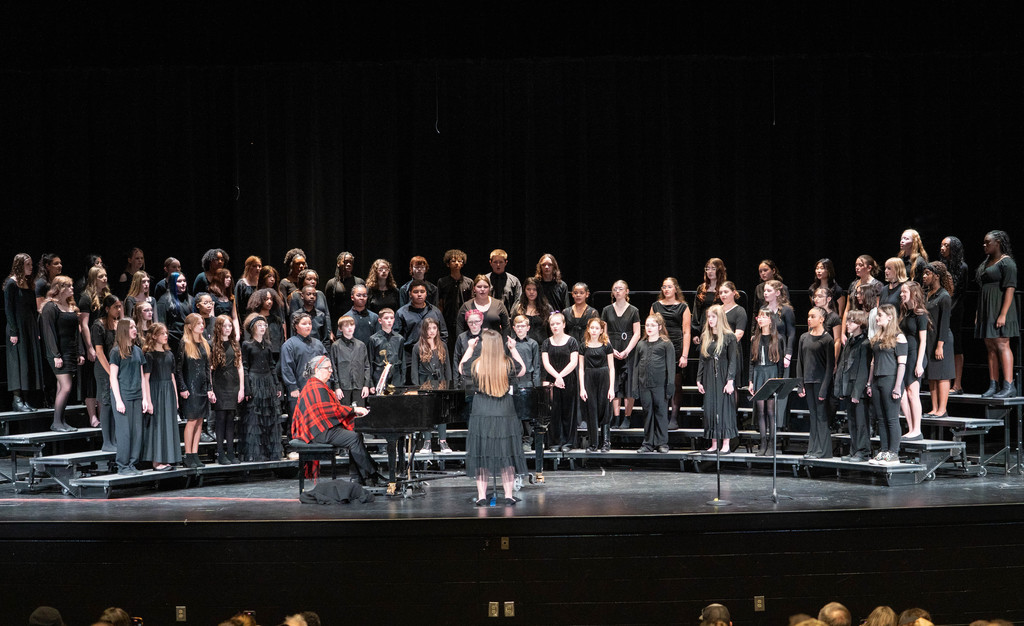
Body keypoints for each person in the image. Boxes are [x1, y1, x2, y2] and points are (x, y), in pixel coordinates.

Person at [290, 355, 379, 486]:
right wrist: (353, 410)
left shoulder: (315, 385)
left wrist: (351, 410)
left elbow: (329, 409)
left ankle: (360, 477)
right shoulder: (316, 387)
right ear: (317, 369)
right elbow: (329, 410)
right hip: (318, 432)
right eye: (328, 368)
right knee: (354, 438)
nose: (331, 371)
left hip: (318, 429)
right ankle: (370, 475)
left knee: (355, 436)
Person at [463, 329, 527, 506]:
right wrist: (513, 349)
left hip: (482, 410)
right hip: (504, 410)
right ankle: (508, 495)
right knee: (506, 453)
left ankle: (482, 496)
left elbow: (461, 367)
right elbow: (522, 369)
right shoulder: (507, 363)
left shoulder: (475, 364)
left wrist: (469, 348)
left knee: (481, 454)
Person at [975, 230, 1018, 398]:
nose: (984, 245)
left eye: (988, 242)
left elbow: (1010, 289)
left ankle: (1009, 385)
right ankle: (994, 384)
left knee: (1002, 345)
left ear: (998, 243)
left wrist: (1003, 314)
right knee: (990, 347)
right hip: (987, 309)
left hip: (1000, 308)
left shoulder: (1007, 263)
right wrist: (979, 313)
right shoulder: (987, 262)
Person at [39, 276, 82, 431]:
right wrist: (56, 355)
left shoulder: (69, 305)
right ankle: (56, 422)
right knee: (66, 387)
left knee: (61, 387)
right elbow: (48, 333)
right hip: (58, 353)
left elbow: (76, 332)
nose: (72, 288)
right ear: (60, 288)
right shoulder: (50, 307)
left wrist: (79, 352)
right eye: (68, 286)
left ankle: (61, 420)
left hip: (70, 351)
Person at [867, 304, 908, 465]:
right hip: (877, 380)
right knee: (881, 419)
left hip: (891, 379)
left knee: (891, 418)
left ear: (890, 317)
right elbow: (872, 362)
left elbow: (902, 364)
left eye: (880, 315)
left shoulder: (899, 337)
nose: (877, 318)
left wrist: (898, 386)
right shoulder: (878, 337)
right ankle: (884, 450)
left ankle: (894, 453)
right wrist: (870, 383)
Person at [109, 318, 150, 475]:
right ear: (124, 330)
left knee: (136, 431)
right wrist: (118, 400)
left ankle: (132, 463)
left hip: (137, 395)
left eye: (135, 326)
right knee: (124, 432)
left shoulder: (138, 351)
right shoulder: (116, 352)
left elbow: (141, 377)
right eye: (131, 327)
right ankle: (123, 465)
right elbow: (113, 378)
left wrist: (145, 398)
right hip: (123, 396)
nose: (135, 329)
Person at [241, 314, 284, 461]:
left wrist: (276, 384)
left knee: (269, 416)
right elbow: (245, 366)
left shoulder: (268, 345)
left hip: (267, 382)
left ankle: (269, 452)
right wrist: (247, 387)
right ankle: (256, 453)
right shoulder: (247, 345)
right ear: (253, 328)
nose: (263, 327)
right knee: (256, 417)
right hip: (255, 380)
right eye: (259, 325)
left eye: (264, 325)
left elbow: (272, 365)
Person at [697, 304, 738, 454]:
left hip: (723, 375)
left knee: (724, 408)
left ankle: (726, 442)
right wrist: (698, 379)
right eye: (709, 317)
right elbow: (702, 359)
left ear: (720, 318)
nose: (710, 320)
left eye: (713, 317)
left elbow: (733, 360)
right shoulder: (705, 336)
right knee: (710, 408)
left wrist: (730, 380)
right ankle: (714, 442)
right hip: (708, 375)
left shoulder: (729, 337)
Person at [651, 277, 691, 429]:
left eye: (669, 286)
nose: (666, 289)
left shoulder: (683, 307)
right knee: (660, 384)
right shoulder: (655, 306)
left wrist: (685, 355)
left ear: (675, 289)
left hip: (676, 347)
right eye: (664, 287)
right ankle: (661, 416)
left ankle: (674, 418)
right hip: (659, 347)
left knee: (675, 383)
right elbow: (650, 326)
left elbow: (686, 331)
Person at [797, 307, 837, 459]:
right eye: (808, 316)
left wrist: (824, 389)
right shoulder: (804, 337)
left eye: (813, 316)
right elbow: (800, 362)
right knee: (813, 416)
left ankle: (823, 450)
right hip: (808, 382)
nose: (809, 319)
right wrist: (800, 384)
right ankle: (812, 449)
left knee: (821, 417)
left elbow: (829, 367)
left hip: (821, 383)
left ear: (821, 319)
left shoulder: (827, 339)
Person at [6, 253, 43, 412]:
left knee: (28, 361)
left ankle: (27, 398)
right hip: (17, 328)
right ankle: (17, 399)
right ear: (20, 266)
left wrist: (36, 329)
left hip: (29, 327)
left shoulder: (29, 283)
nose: (31, 267)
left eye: (31, 265)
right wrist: (13, 331)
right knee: (18, 363)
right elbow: (9, 309)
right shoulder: (11, 284)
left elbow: (32, 309)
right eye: (28, 265)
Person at [175, 313, 213, 468]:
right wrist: (182, 387)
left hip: (202, 388)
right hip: (190, 389)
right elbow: (178, 369)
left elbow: (206, 368)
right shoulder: (184, 343)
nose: (202, 325)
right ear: (190, 326)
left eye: (203, 323)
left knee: (199, 422)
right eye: (198, 323)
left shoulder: (204, 343)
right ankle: (188, 454)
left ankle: (195, 454)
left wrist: (210, 388)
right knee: (191, 421)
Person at [633, 313, 675, 453]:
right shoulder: (641, 344)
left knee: (661, 413)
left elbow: (671, 366)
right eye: (648, 325)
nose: (649, 328)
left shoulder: (666, 344)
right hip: (644, 385)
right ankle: (648, 443)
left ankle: (662, 443)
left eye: (653, 325)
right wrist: (635, 386)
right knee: (647, 413)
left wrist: (670, 386)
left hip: (660, 385)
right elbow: (636, 366)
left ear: (660, 327)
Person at [142, 323, 181, 470]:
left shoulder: (170, 354)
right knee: (157, 426)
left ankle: (168, 458)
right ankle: (156, 461)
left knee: (168, 425)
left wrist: (176, 398)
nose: (166, 336)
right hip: (156, 391)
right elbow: (145, 379)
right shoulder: (150, 355)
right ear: (153, 336)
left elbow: (172, 377)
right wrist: (148, 400)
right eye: (162, 333)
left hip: (168, 392)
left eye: (166, 333)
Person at [602, 280, 641, 429]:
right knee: (615, 383)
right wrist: (611, 349)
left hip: (629, 350)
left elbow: (637, 333)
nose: (617, 291)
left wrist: (627, 350)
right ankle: (616, 417)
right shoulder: (606, 310)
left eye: (620, 289)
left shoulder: (633, 310)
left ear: (627, 291)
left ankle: (627, 417)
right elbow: (603, 333)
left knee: (629, 384)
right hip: (612, 348)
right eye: (615, 289)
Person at [835, 310, 872, 462]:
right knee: (852, 420)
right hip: (849, 386)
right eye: (848, 321)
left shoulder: (865, 344)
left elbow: (863, 370)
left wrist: (857, 392)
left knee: (862, 421)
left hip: (859, 390)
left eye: (851, 322)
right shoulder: (850, 341)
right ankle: (854, 450)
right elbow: (844, 365)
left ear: (860, 324)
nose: (847, 324)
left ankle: (863, 451)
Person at [412, 317, 453, 453]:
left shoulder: (443, 346)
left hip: (441, 383)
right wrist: (417, 387)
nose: (432, 331)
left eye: (434, 328)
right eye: (429, 328)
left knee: (442, 412)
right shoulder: (418, 347)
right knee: (426, 413)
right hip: (425, 383)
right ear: (424, 329)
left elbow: (447, 368)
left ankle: (443, 442)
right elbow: (414, 369)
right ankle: (427, 442)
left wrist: (448, 385)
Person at [395, 279, 449, 381]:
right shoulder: (401, 313)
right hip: (410, 357)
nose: (419, 294)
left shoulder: (435, 312)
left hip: (433, 356)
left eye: (422, 292)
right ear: (410, 294)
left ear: (426, 294)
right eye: (415, 292)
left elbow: (443, 333)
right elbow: (397, 337)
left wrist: (437, 350)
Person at [541, 311, 580, 451]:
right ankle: (555, 442)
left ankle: (568, 442)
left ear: (563, 324)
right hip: (552, 380)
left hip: (568, 380)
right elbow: (546, 363)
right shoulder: (546, 342)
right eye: (552, 324)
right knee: (554, 412)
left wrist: (561, 376)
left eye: (558, 323)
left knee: (568, 411)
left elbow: (574, 362)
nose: (555, 326)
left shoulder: (572, 341)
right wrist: (557, 377)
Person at [749, 308, 785, 456]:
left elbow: (780, 363)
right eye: (759, 316)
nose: (761, 319)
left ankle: (772, 443)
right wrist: (751, 381)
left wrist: (779, 382)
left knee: (770, 411)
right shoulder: (754, 339)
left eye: (764, 316)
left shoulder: (777, 338)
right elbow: (751, 362)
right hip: (759, 373)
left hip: (771, 373)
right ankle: (762, 442)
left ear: (771, 320)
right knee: (761, 411)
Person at [281, 312, 331, 416]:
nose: (308, 326)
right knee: (299, 420)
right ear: (296, 326)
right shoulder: (289, 345)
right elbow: (287, 368)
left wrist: (328, 383)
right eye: (304, 324)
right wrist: (292, 387)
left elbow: (326, 364)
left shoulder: (318, 343)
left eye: (309, 323)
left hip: (318, 389)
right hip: (299, 389)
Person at [210, 314, 245, 464]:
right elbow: (209, 370)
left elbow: (240, 367)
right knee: (221, 419)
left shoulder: (235, 344)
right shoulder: (212, 345)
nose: (227, 328)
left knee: (231, 418)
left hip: (233, 385)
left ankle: (231, 452)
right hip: (219, 384)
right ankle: (220, 453)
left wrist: (242, 388)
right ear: (218, 327)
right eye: (224, 326)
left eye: (230, 326)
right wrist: (210, 388)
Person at [923, 262, 955, 416]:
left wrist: (940, 345)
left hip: (941, 340)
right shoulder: (926, 294)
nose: (924, 277)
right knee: (932, 375)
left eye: (927, 274)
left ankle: (943, 408)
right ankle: (934, 408)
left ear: (936, 276)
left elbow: (945, 323)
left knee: (942, 374)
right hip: (929, 339)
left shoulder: (944, 296)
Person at [899, 281, 931, 440]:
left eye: (904, 291)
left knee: (913, 393)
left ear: (913, 293)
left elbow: (923, 341)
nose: (901, 294)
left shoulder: (920, 314)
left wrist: (919, 363)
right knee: (903, 394)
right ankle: (911, 428)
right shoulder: (905, 312)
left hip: (915, 356)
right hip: (904, 355)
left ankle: (917, 429)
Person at [92, 295, 123, 451]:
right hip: (104, 369)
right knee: (106, 403)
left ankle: (116, 440)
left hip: (117, 368)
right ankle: (107, 441)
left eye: (119, 307)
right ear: (107, 309)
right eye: (115, 307)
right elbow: (99, 352)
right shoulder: (98, 325)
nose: (118, 310)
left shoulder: (119, 324)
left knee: (115, 403)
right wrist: (111, 372)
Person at [579, 317, 614, 452]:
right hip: (589, 378)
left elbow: (612, 367)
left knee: (605, 409)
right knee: (591, 409)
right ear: (588, 329)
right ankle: (593, 443)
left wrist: (611, 388)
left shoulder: (607, 346)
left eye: (596, 328)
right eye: (591, 328)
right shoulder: (583, 346)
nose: (594, 330)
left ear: (601, 330)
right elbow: (581, 368)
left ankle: (606, 442)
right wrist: (582, 388)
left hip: (604, 378)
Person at [939, 235, 969, 393]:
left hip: (955, 310)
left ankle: (957, 384)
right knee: (941, 345)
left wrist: (948, 311)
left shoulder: (962, 267)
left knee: (956, 345)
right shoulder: (940, 266)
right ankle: (943, 382)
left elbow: (960, 292)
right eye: (942, 245)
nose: (942, 248)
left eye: (946, 246)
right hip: (941, 308)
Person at [509, 314, 541, 450]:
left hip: (528, 381)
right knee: (514, 413)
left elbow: (537, 366)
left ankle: (527, 440)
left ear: (528, 328)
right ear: (514, 328)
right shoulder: (510, 344)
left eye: (523, 326)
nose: (520, 328)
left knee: (526, 414)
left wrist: (536, 386)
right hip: (513, 381)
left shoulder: (533, 344)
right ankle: (515, 440)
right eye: (518, 326)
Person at [437, 249, 474, 354]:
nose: (457, 263)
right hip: (447, 321)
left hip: (464, 321)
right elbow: (440, 303)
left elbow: (471, 303)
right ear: (448, 264)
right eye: (453, 261)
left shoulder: (469, 282)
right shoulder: (442, 282)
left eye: (460, 261)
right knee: (449, 349)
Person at [329, 315, 371, 407]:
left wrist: (366, 385)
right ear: (340, 328)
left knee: (360, 414)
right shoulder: (335, 346)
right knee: (344, 414)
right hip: (343, 387)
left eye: (351, 325)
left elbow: (366, 366)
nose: (349, 328)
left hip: (359, 386)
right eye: (346, 326)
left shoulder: (361, 345)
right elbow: (333, 367)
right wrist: (337, 387)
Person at [763, 279, 796, 374]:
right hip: (766, 348)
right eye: (765, 290)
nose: (765, 293)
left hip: (781, 348)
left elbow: (791, 333)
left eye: (769, 291)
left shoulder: (786, 310)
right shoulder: (763, 310)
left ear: (777, 293)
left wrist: (788, 355)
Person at [156, 271, 194, 354]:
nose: (183, 283)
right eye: (179, 281)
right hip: (173, 342)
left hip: (189, 341)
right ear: (172, 283)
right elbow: (161, 323)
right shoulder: (164, 301)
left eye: (184, 281)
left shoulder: (191, 300)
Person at [324, 251, 364, 325]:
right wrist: (330, 330)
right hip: (338, 321)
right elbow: (327, 308)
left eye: (350, 262)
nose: (348, 264)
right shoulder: (332, 283)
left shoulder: (359, 282)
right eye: (345, 262)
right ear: (338, 263)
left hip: (356, 321)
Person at [368, 308, 405, 389]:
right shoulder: (374, 339)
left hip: (396, 378)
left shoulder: (399, 339)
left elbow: (402, 361)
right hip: (379, 377)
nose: (389, 321)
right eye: (386, 318)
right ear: (380, 321)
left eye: (391, 318)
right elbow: (370, 362)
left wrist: (402, 381)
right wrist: (371, 384)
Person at [842, 254, 881, 329]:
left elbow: (877, 310)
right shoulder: (853, 284)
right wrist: (843, 332)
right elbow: (847, 309)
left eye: (860, 265)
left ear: (869, 268)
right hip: (852, 325)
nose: (857, 268)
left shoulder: (876, 285)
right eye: (856, 265)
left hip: (868, 326)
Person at [246, 287, 287, 357]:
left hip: (276, 356)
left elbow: (282, 340)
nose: (269, 301)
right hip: (259, 357)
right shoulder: (253, 320)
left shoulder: (277, 320)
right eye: (266, 299)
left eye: (271, 299)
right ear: (259, 301)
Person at [511, 276, 551, 347]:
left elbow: (551, 330)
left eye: (534, 289)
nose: (531, 292)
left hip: (542, 348)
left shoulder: (546, 308)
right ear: (524, 290)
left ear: (538, 291)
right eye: (528, 289)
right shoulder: (518, 308)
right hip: (522, 346)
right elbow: (513, 329)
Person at [693, 257, 726, 341]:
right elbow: (696, 311)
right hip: (705, 325)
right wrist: (696, 332)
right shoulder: (701, 288)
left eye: (713, 268)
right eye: (707, 269)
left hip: (720, 325)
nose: (710, 271)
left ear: (719, 270)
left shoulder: (725, 288)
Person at [486, 248, 522, 314]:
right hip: (488, 317)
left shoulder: (514, 281)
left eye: (501, 262)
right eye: (495, 262)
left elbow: (518, 300)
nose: (498, 265)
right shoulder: (485, 280)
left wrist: (511, 316)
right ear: (490, 263)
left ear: (506, 262)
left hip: (509, 318)